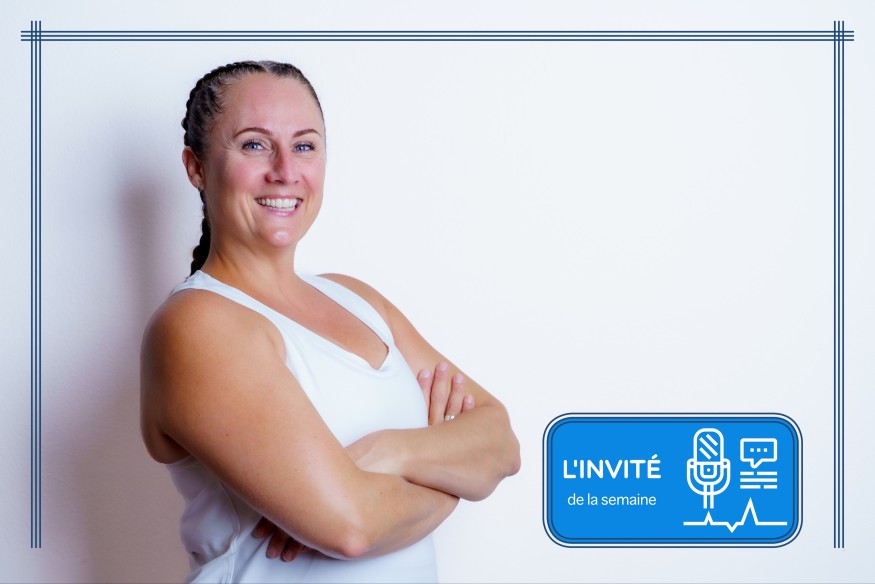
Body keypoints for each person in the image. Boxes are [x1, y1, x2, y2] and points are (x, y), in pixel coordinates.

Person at [140, 60, 520, 583]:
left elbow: (500, 442)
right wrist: (455, 479)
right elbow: (352, 526)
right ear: (196, 167)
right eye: (254, 144)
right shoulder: (197, 325)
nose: (285, 170)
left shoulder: (357, 299)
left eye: (304, 146)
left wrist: (386, 453)